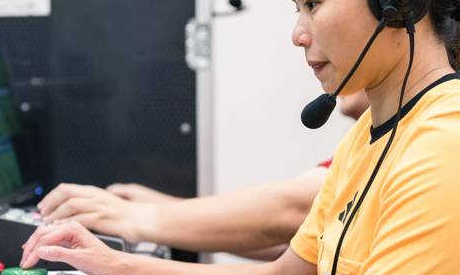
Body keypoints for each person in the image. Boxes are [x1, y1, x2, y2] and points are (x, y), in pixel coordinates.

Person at [0, 0, 460, 275]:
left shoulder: (444, 150)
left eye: (312, 4)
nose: (298, 35)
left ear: (398, 1)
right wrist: (116, 265)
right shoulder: (370, 138)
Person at [33, 93, 368, 261]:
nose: (302, 35)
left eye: (314, 4)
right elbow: (287, 245)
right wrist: (167, 207)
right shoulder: (358, 146)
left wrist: (133, 220)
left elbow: (290, 211)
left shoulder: (401, 149)